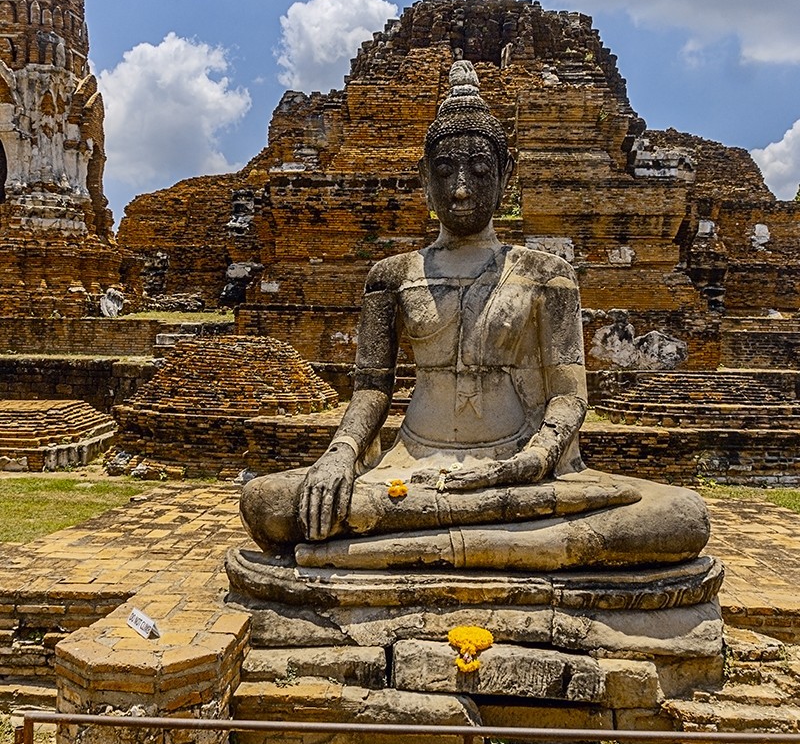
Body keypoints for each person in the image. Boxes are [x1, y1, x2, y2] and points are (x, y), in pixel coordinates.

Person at [240, 59, 709, 572]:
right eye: (445, 173)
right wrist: (340, 455)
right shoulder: (391, 275)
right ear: (424, 178)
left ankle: (406, 548)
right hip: (412, 468)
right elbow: (372, 390)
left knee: (680, 517)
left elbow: (570, 394)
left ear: (506, 177)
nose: (461, 189)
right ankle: (511, 546)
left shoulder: (546, 273)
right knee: (268, 505)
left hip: (521, 468)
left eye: (480, 172)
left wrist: (533, 460)